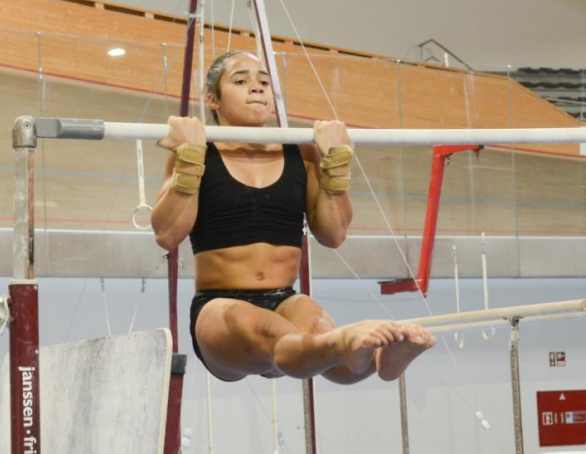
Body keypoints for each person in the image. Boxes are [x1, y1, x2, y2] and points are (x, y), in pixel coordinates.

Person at [150, 50, 435, 384]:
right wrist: (188, 162)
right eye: (241, 80)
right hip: (219, 306)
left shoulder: (301, 150)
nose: (256, 88)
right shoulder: (197, 150)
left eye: (264, 82)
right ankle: (345, 343)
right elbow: (167, 234)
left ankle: (377, 357)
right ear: (213, 98)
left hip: (285, 297)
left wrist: (336, 166)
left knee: (317, 329)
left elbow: (333, 235)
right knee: (275, 334)